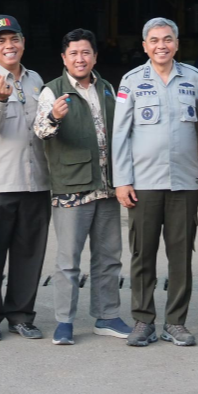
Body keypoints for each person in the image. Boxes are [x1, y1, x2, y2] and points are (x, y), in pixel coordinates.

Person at [112, 17, 198, 348]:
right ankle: (143, 321)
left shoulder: (194, 79)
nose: (161, 45)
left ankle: (176, 322)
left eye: (167, 39)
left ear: (177, 43)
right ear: (144, 46)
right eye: (154, 40)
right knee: (143, 254)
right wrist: (122, 180)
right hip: (143, 182)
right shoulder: (131, 81)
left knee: (180, 254)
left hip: (184, 181)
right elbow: (120, 134)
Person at [32, 28, 131, 345]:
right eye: (73, 53)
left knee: (109, 257)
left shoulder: (107, 88)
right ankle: (64, 321)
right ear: (64, 58)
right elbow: (41, 131)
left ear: (95, 56)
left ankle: (107, 316)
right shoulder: (53, 91)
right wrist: (54, 117)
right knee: (68, 261)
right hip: (72, 188)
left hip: (107, 187)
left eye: (86, 52)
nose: (80, 58)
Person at [0, 15, 50, 341]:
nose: (8, 46)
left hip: (35, 182)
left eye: (13, 39)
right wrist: (1, 99)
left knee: (29, 253)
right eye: (0, 41)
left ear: (23, 43)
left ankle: (21, 314)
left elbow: (43, 127)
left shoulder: (36, 80)